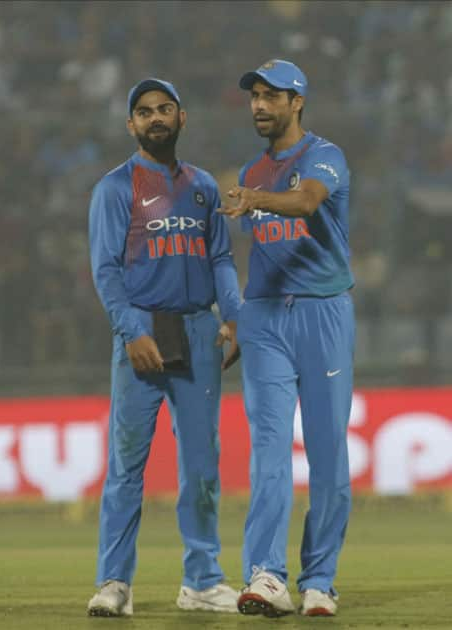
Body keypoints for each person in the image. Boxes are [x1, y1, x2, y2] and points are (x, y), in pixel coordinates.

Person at [87, 78, 241, 617]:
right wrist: (133, 331)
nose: (156, 118)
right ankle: (114, 583)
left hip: (198, 332)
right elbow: (105, 270)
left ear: (182, 118)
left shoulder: (202, 187)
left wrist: (234, 316)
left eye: (165, 109)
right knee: (126, 466)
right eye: (145, 112)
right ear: (131, 125)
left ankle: (201, 579)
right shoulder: (114, 188)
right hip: (142, 336)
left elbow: (220, 258)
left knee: (201, 464)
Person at [220, 59, 355, 617]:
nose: (259, 104)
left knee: (326, 456)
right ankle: (267, 575)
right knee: (269, 452)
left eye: (271, 96)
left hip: (323, 315)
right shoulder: (252, 168)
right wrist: (239, 321)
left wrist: (255, 199)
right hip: (267, 318)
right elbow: (263, 253)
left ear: (297, 102)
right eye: (254, 94)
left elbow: (305, 203)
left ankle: (319, 579)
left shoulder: (325, 155)